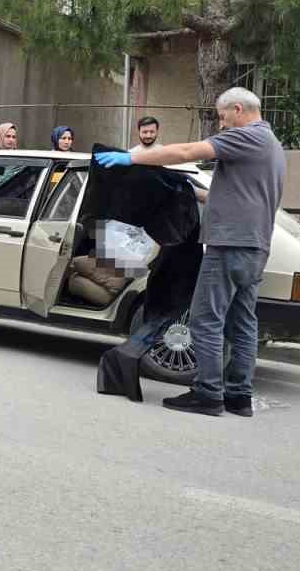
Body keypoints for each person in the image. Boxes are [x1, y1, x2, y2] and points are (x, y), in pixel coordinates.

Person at [96, 86, 284, 417]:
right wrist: (189, 191)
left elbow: (186, 151)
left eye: (224, 118)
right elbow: (233, 198)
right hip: (255, 247)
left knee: (205, 320)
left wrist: (133, 157)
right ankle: (238, 396)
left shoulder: (246, 137)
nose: (222, 125)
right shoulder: (272, 146)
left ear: (238, 109)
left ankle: (208, 394)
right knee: (241, 323)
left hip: (228, 245)